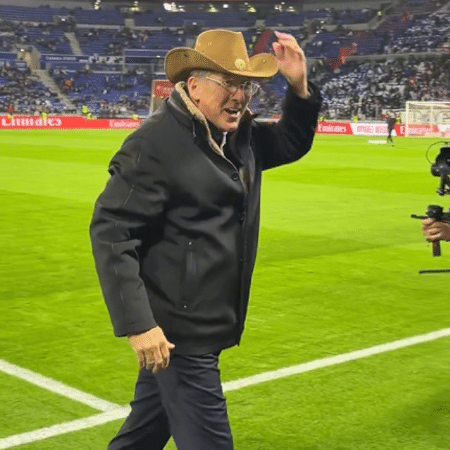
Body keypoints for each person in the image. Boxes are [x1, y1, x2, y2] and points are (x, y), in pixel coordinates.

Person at [90, 28, 322, 450]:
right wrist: (139, 324)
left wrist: (299, 86)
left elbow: (291, 141)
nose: (240, 97)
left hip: (207, 323)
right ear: (193, 86)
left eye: (246, 86)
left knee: (142, 436)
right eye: (229, 85)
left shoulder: (238, 136)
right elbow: (111, 231)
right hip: (180, 333)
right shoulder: (153, 144)